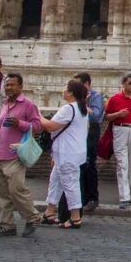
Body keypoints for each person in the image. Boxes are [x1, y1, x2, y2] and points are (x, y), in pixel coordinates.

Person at [0, 72, 43, 237]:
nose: (9, 88)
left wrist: (20, 123)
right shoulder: (4, 104)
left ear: (20, 86)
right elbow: (3, 128)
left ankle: (32, 217)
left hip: (15, 153)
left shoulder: (28, 104)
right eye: (7, 85)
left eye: (12, 85)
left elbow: (37, 126)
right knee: (1, 192)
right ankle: (6, 224)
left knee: (17, 189)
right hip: (0, 153)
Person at [39, 79, 89, 229]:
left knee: (70, 184)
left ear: (71, 92)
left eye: (65, 88)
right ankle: (49, 212)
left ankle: (75, 218)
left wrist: (38, 115)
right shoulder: (82, 108)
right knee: (56, 181)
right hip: (70, 152)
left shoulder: (69, 109)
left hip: (67, 153)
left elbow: (50, 126)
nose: (62, 90)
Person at [104, 73, 131, 208]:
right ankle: (124, 196)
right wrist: (118, 114)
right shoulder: (114, 98)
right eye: (130, 83)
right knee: (122, 163)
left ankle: (126, 192)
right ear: (122, 84)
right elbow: (107, 116)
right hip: (120, 130)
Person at [73, 72, 104, 212]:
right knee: (80, 164)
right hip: (78, 132)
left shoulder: (96, 96)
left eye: (78, 84)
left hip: (91, 131)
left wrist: (83, 103)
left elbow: (96, 116)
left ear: (86, 84)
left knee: (89, 163)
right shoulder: (77, 96)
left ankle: (92, 197)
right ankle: (82, 196)